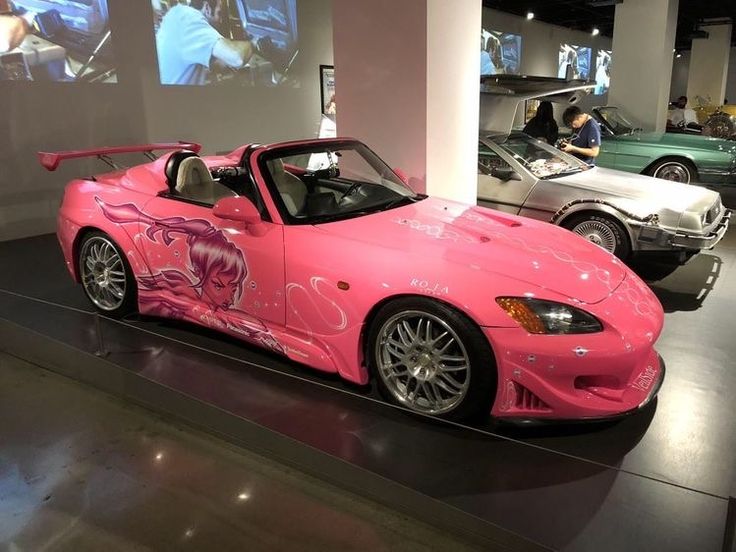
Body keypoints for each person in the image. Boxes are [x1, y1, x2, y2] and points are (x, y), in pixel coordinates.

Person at [156, 0, 255, 85]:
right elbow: (237, 58)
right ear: (207, 8)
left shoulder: (178, 13)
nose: (220, 21)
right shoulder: (191, 20)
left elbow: (216, 64)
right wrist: (255, 43)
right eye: (219, 13)